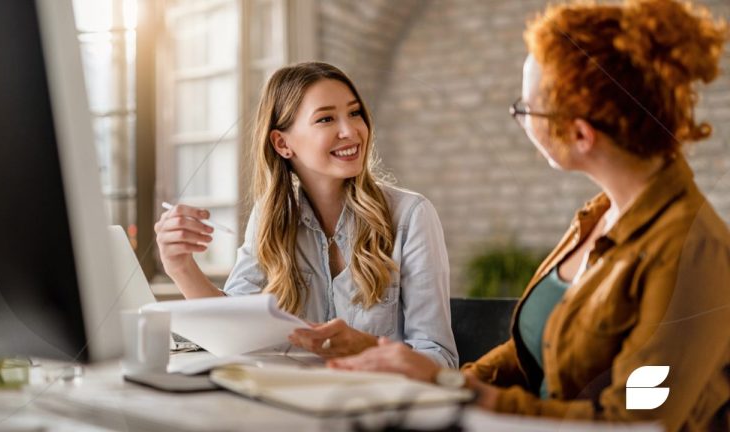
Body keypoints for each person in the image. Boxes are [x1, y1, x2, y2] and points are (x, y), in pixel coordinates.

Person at [328, 0, 729, 430]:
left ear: (580, 134)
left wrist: (457, 389)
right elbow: (530, 354)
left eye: (525, 109)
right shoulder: (597, 217)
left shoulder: (694, 253)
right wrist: (436, 381)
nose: (520, 120)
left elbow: (632, 421)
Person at [155, 62, 458, 367]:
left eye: (355, 113)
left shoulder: (410, 216)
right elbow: (231, 331)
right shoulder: (270, 218)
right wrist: (181, 267)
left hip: (375, 396)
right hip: (288, 393)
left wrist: (365, 347)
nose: (351, 131)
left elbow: (440, 359)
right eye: (326, 118)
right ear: (282, 143)